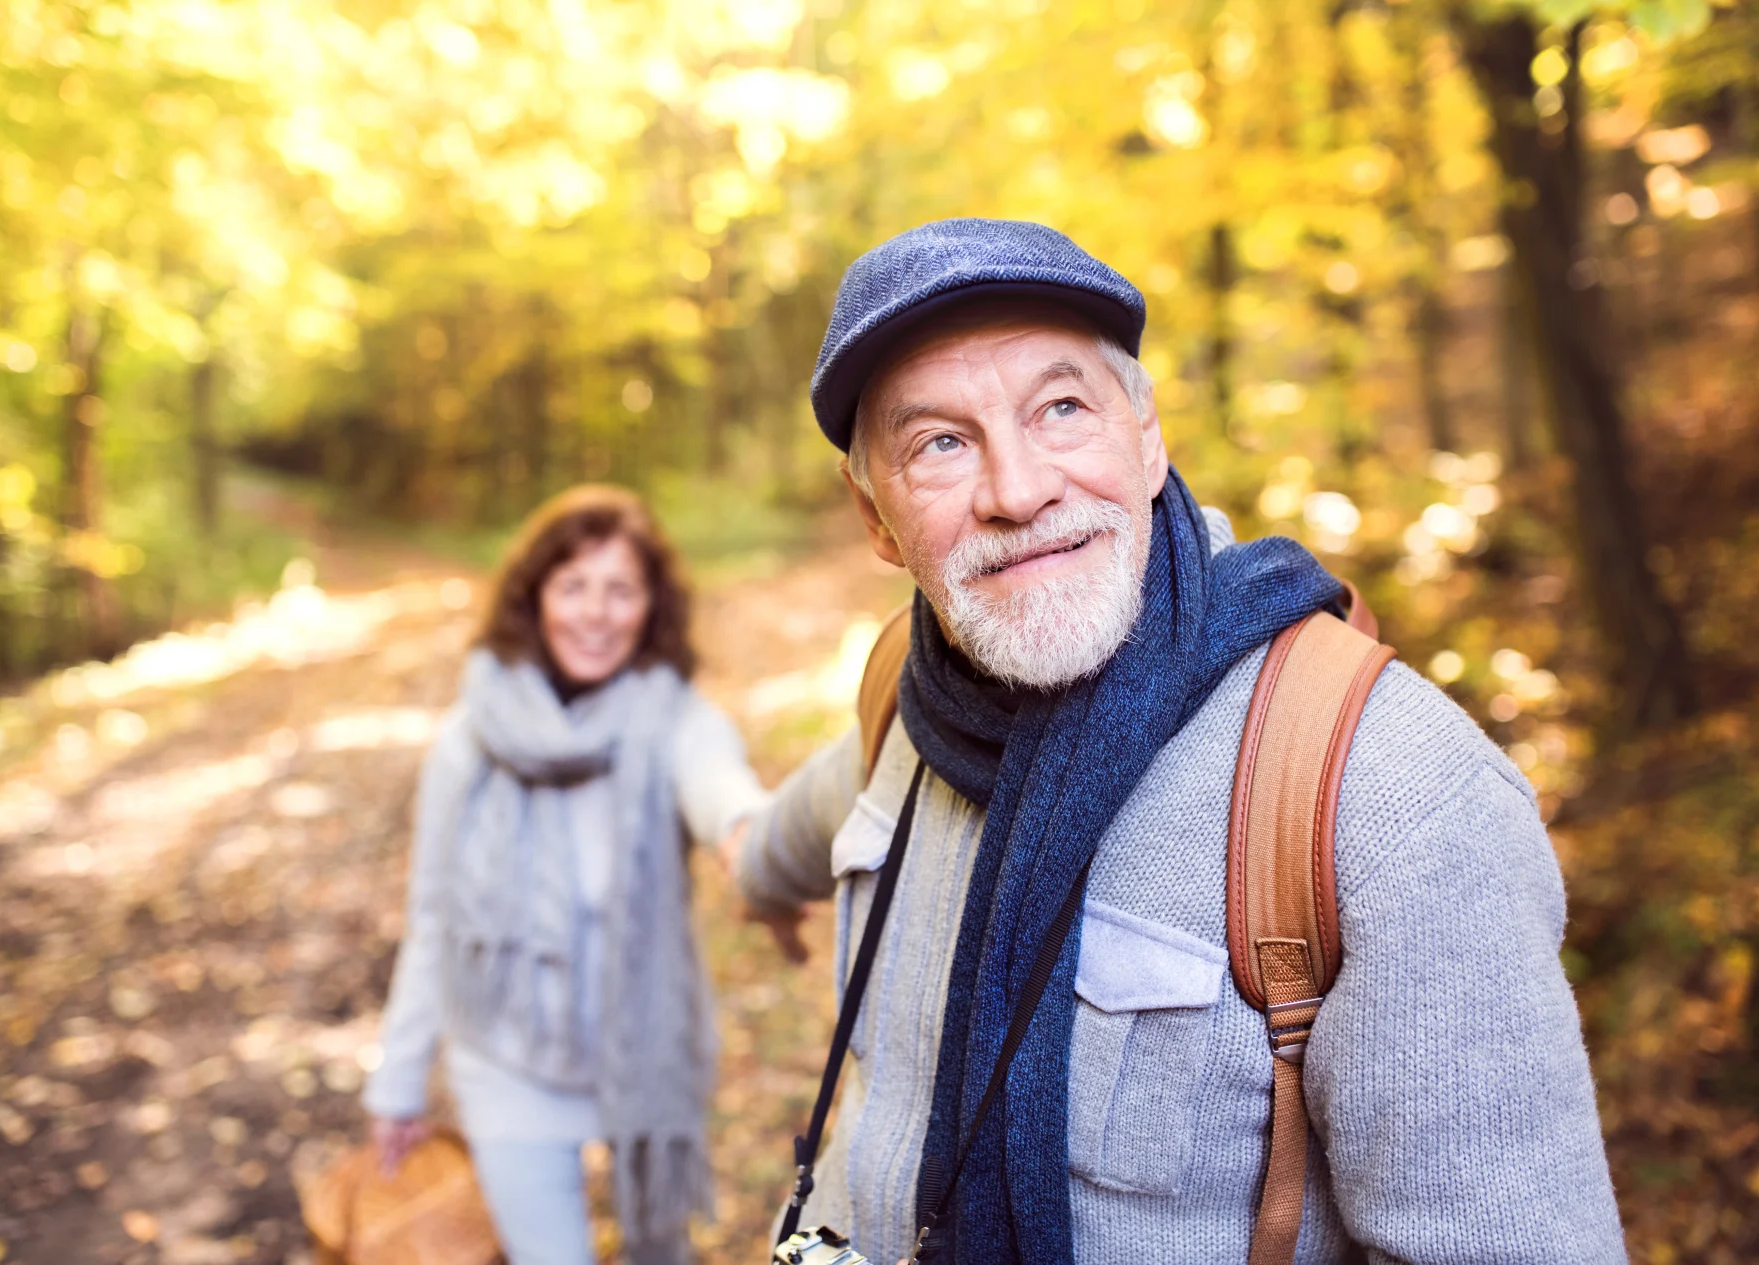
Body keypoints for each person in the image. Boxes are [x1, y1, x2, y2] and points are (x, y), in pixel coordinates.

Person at [732, 220, 1626, 1264]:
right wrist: (752, 871)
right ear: (876, 517)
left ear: (1147, 435)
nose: (1017, 490)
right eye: (939, 442)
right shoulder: (910, 697)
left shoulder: (1384, 791)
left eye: (1061, 408)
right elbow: (805, 821)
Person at [364, 485, 765, 1265]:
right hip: (507, 1057)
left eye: (621, 590)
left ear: (651, 607)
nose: (596, 612)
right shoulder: (469, 740)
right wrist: (398, 1081)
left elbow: (721, 785)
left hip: (642, 1053)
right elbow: (434, 919)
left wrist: (752, 833)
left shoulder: (674, 719)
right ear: (535, 596)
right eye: (573, 585)